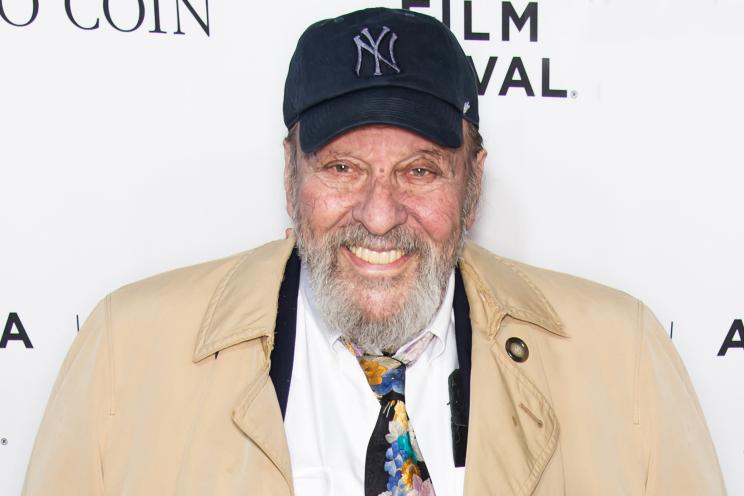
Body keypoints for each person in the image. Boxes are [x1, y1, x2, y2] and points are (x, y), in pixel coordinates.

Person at [23, 7, 725, 496]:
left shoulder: (621, 358)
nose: (380, 215)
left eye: (419, 170)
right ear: (290, 174)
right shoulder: (127, 353)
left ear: (472, 180)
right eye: (341, 169)